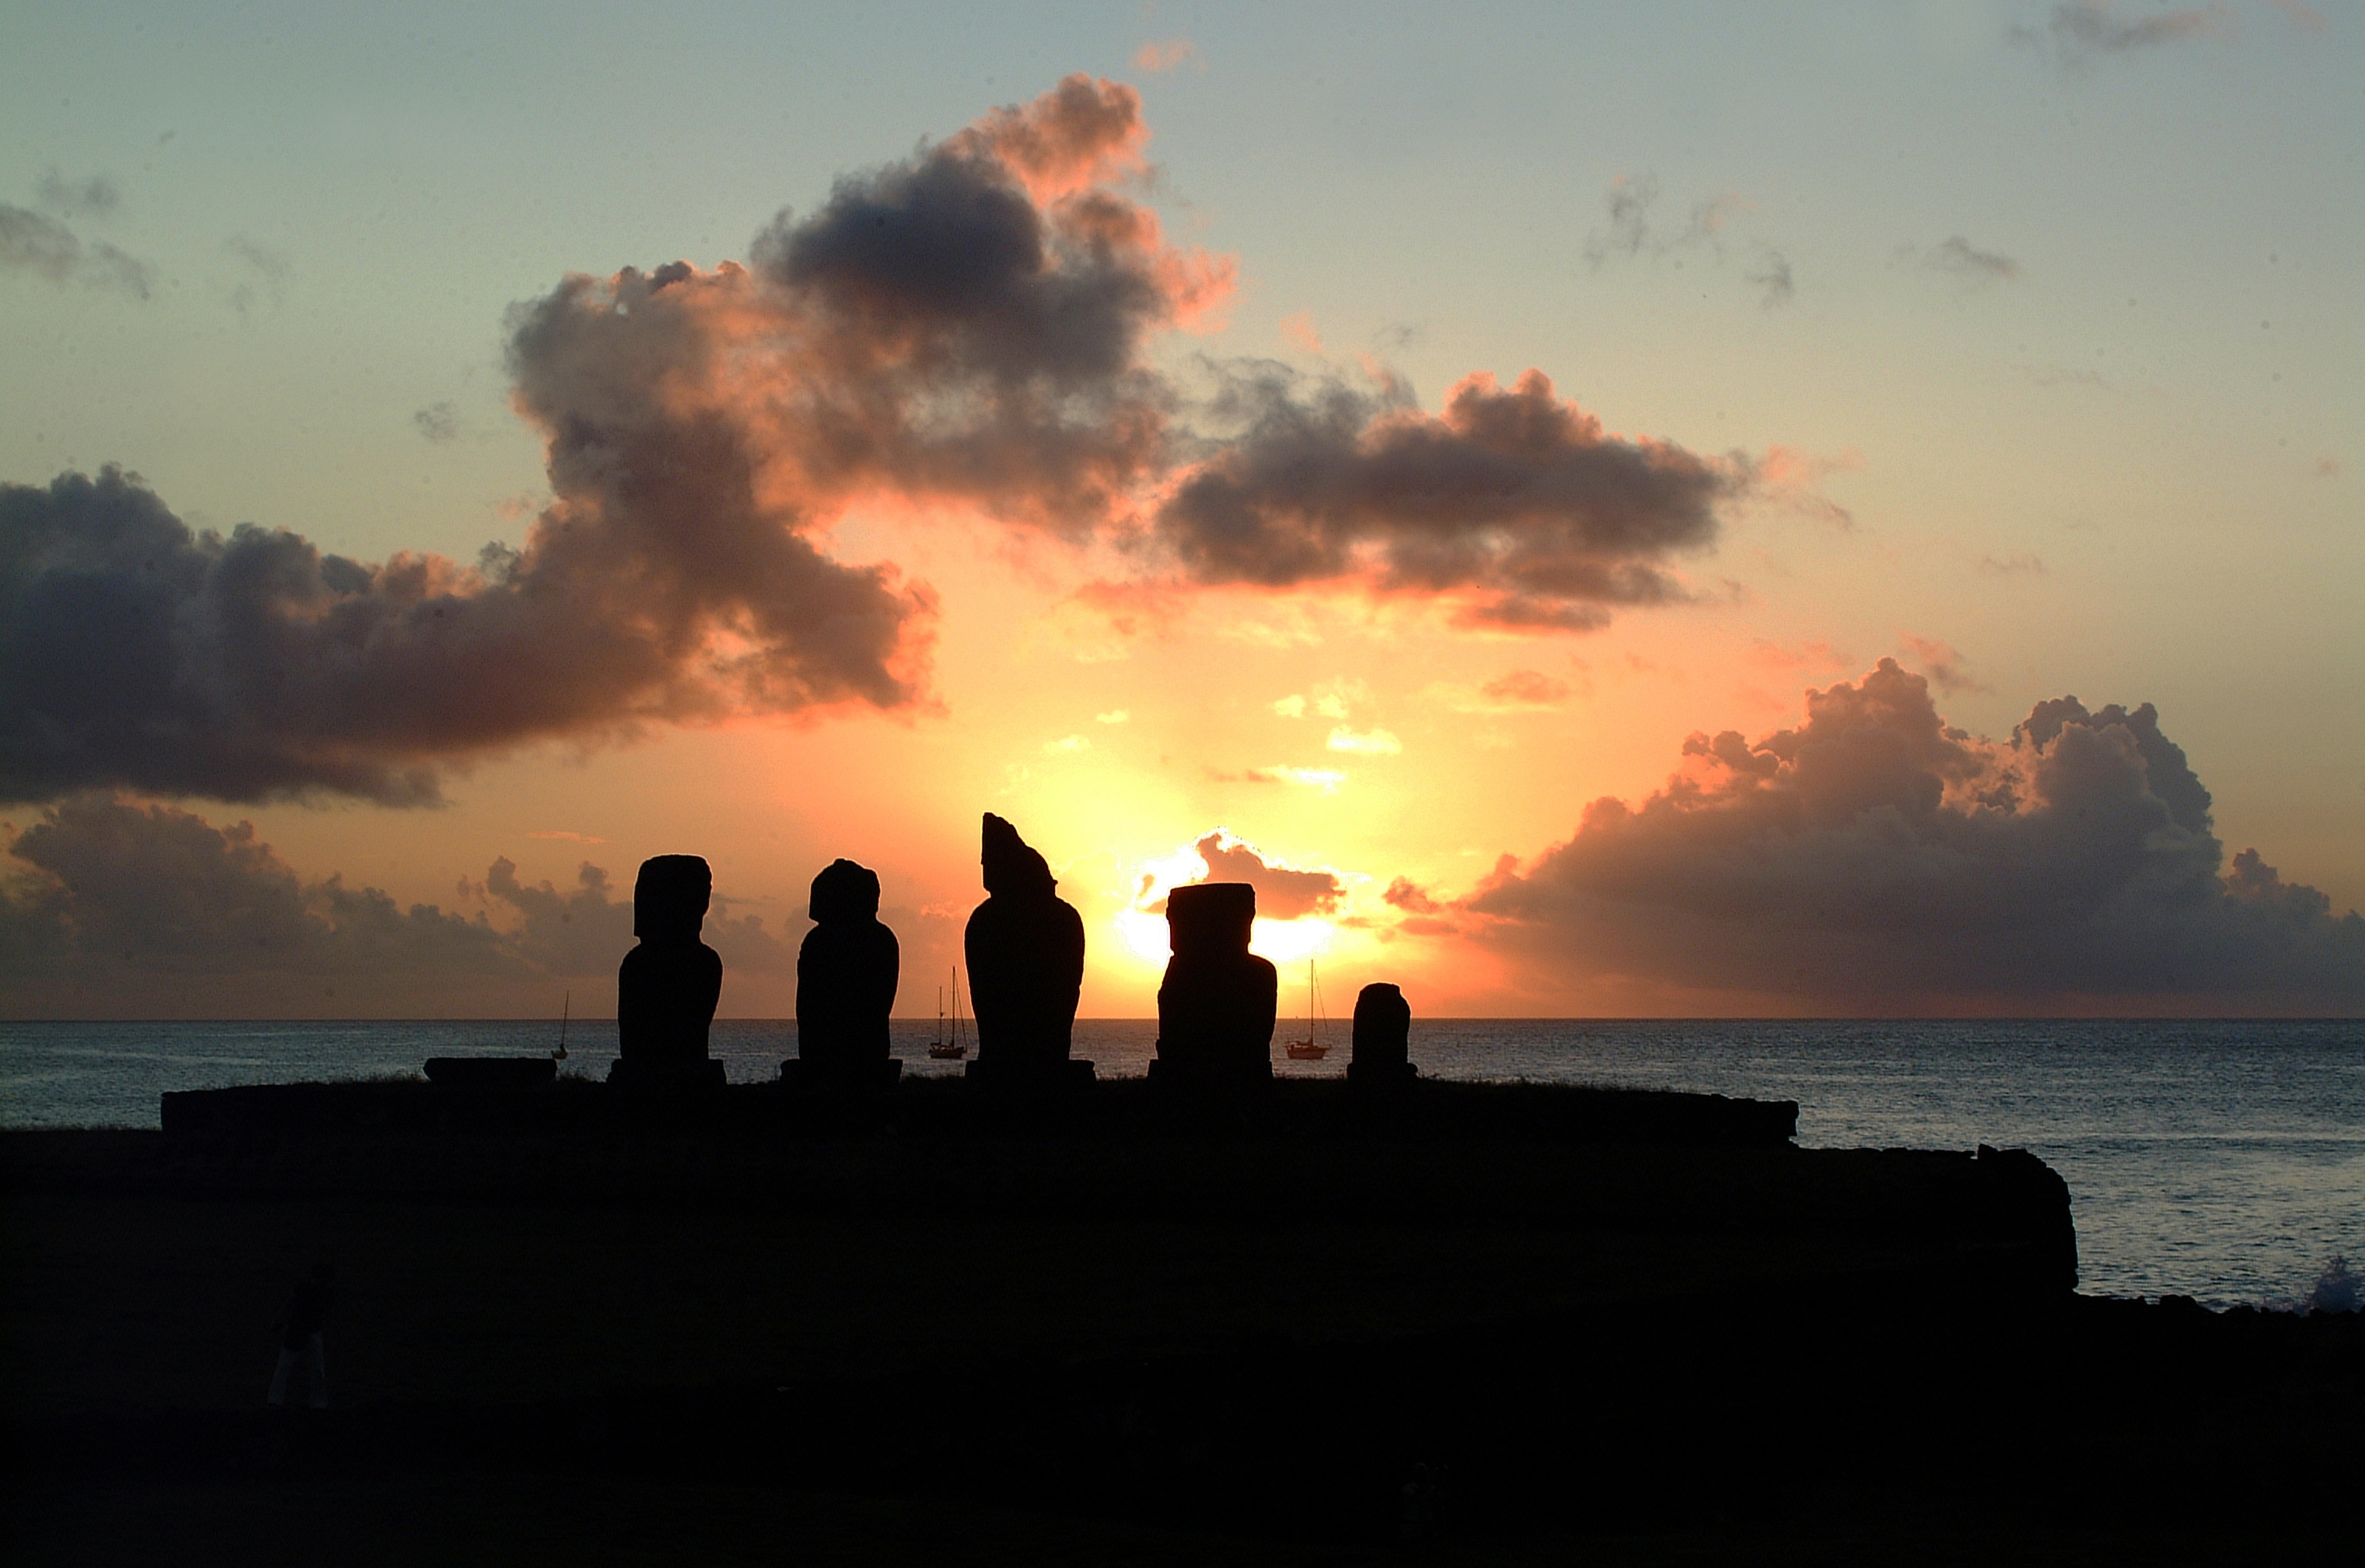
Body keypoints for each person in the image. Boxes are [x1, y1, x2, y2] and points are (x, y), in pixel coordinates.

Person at [268, 1262, 336, 1409]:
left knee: (285, 1367)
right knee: (315, 1368)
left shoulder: (305, 1288)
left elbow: (288, 1304)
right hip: (306, 1330)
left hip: (300, 1330)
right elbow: (327, 1316)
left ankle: (275, 1401)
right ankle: (318, 1403)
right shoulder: (325, 1293)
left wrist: (277, 1321)